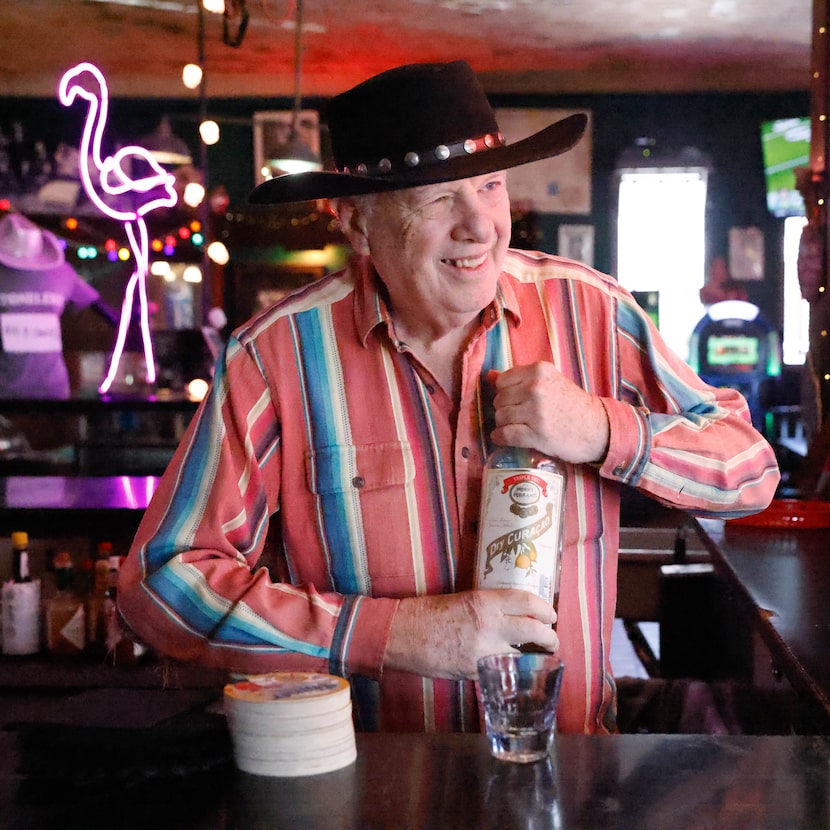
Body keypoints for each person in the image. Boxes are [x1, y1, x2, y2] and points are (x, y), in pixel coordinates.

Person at [117, 61, 779, 734]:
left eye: (490, 186)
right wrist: (394, 634)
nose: (480, 226)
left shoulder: (594, 311)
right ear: (357, 224)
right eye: (436, 199)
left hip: (571, 774)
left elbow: (750, 472)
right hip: (366, 791)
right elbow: (160, 587)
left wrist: (605, 431)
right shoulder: (274, 356)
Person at [0, 212, 119, 399]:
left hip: (53, 391)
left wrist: (129, 325)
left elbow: (96, 304)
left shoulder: (61, 272)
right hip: (6, 393)